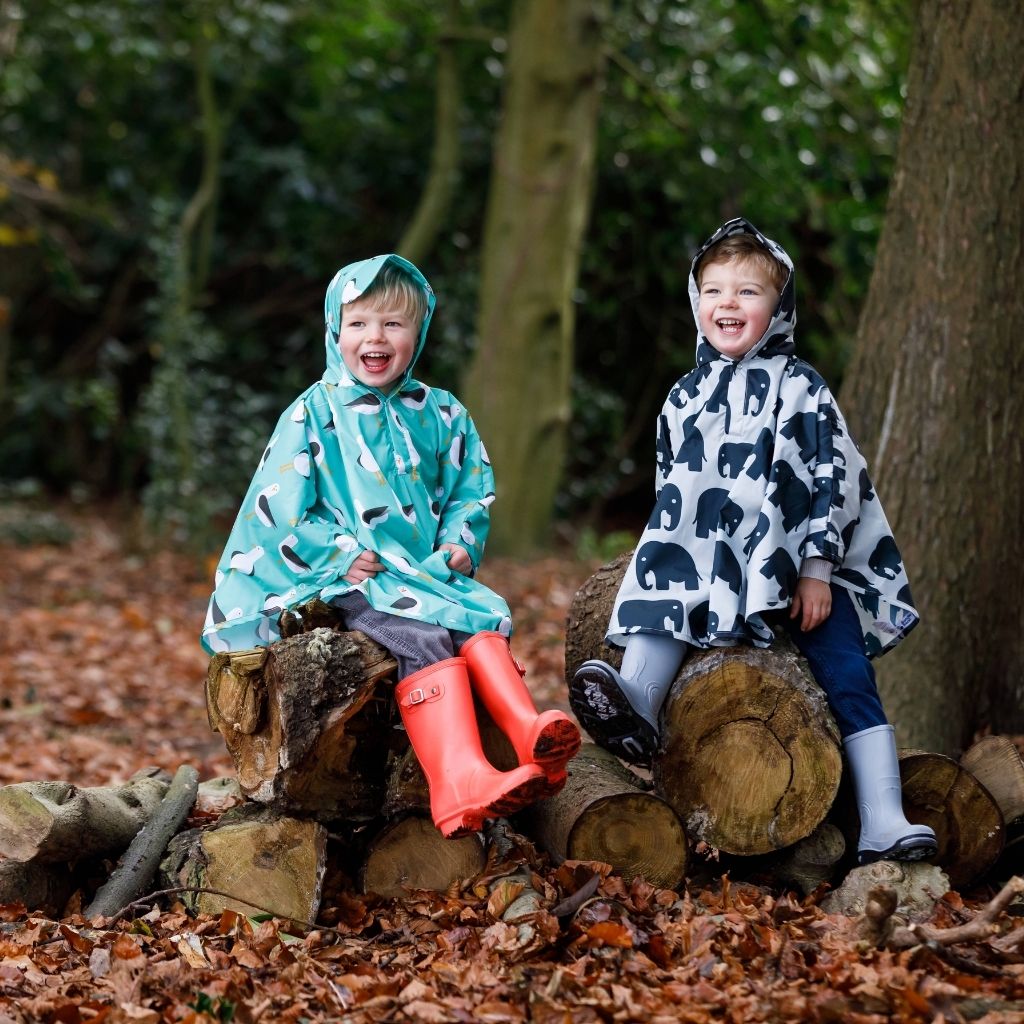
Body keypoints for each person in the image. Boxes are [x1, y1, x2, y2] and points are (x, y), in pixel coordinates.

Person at [569, 218, 937, 866]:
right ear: (695, 302)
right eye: (714, 291)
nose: (728, 305)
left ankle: (882, 814)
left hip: (795, 569)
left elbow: (834, 479)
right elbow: (672, 497)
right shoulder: (685, 397)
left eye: (748, 292)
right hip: (711, 566)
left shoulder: (802, 390)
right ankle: (637, 704)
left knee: (846, 669)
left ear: (779, 307)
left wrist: (819, 567)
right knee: (662, 592)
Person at [202, 254, 580, 838]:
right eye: (359, 324)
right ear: (335, 330)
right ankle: (458, 780)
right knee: (422, 636)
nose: (375, 338)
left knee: (475, 619)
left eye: (394, 324)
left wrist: (459, 542)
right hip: (351, 577)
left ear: (419, 332)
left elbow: (469, 487)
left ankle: (529, 730)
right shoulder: (314, 413)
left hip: (423, 573)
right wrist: (335, 551)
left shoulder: (441, 412)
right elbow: (277, 506)